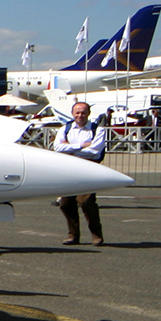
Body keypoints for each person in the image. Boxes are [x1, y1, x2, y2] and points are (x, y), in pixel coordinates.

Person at [54, 101, 106, 246]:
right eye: (77, 112)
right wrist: (81, 146)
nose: (80, 115)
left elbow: (94, 151)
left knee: (86, 202)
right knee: (66, 203)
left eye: (83, 112)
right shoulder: (65, 129)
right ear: (72, 114)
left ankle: (96, 235)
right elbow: (57, 147)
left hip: (89, 169)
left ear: (88, 114)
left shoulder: (97, 129)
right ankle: (73, 235)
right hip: (69, 169)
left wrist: (69, 148)